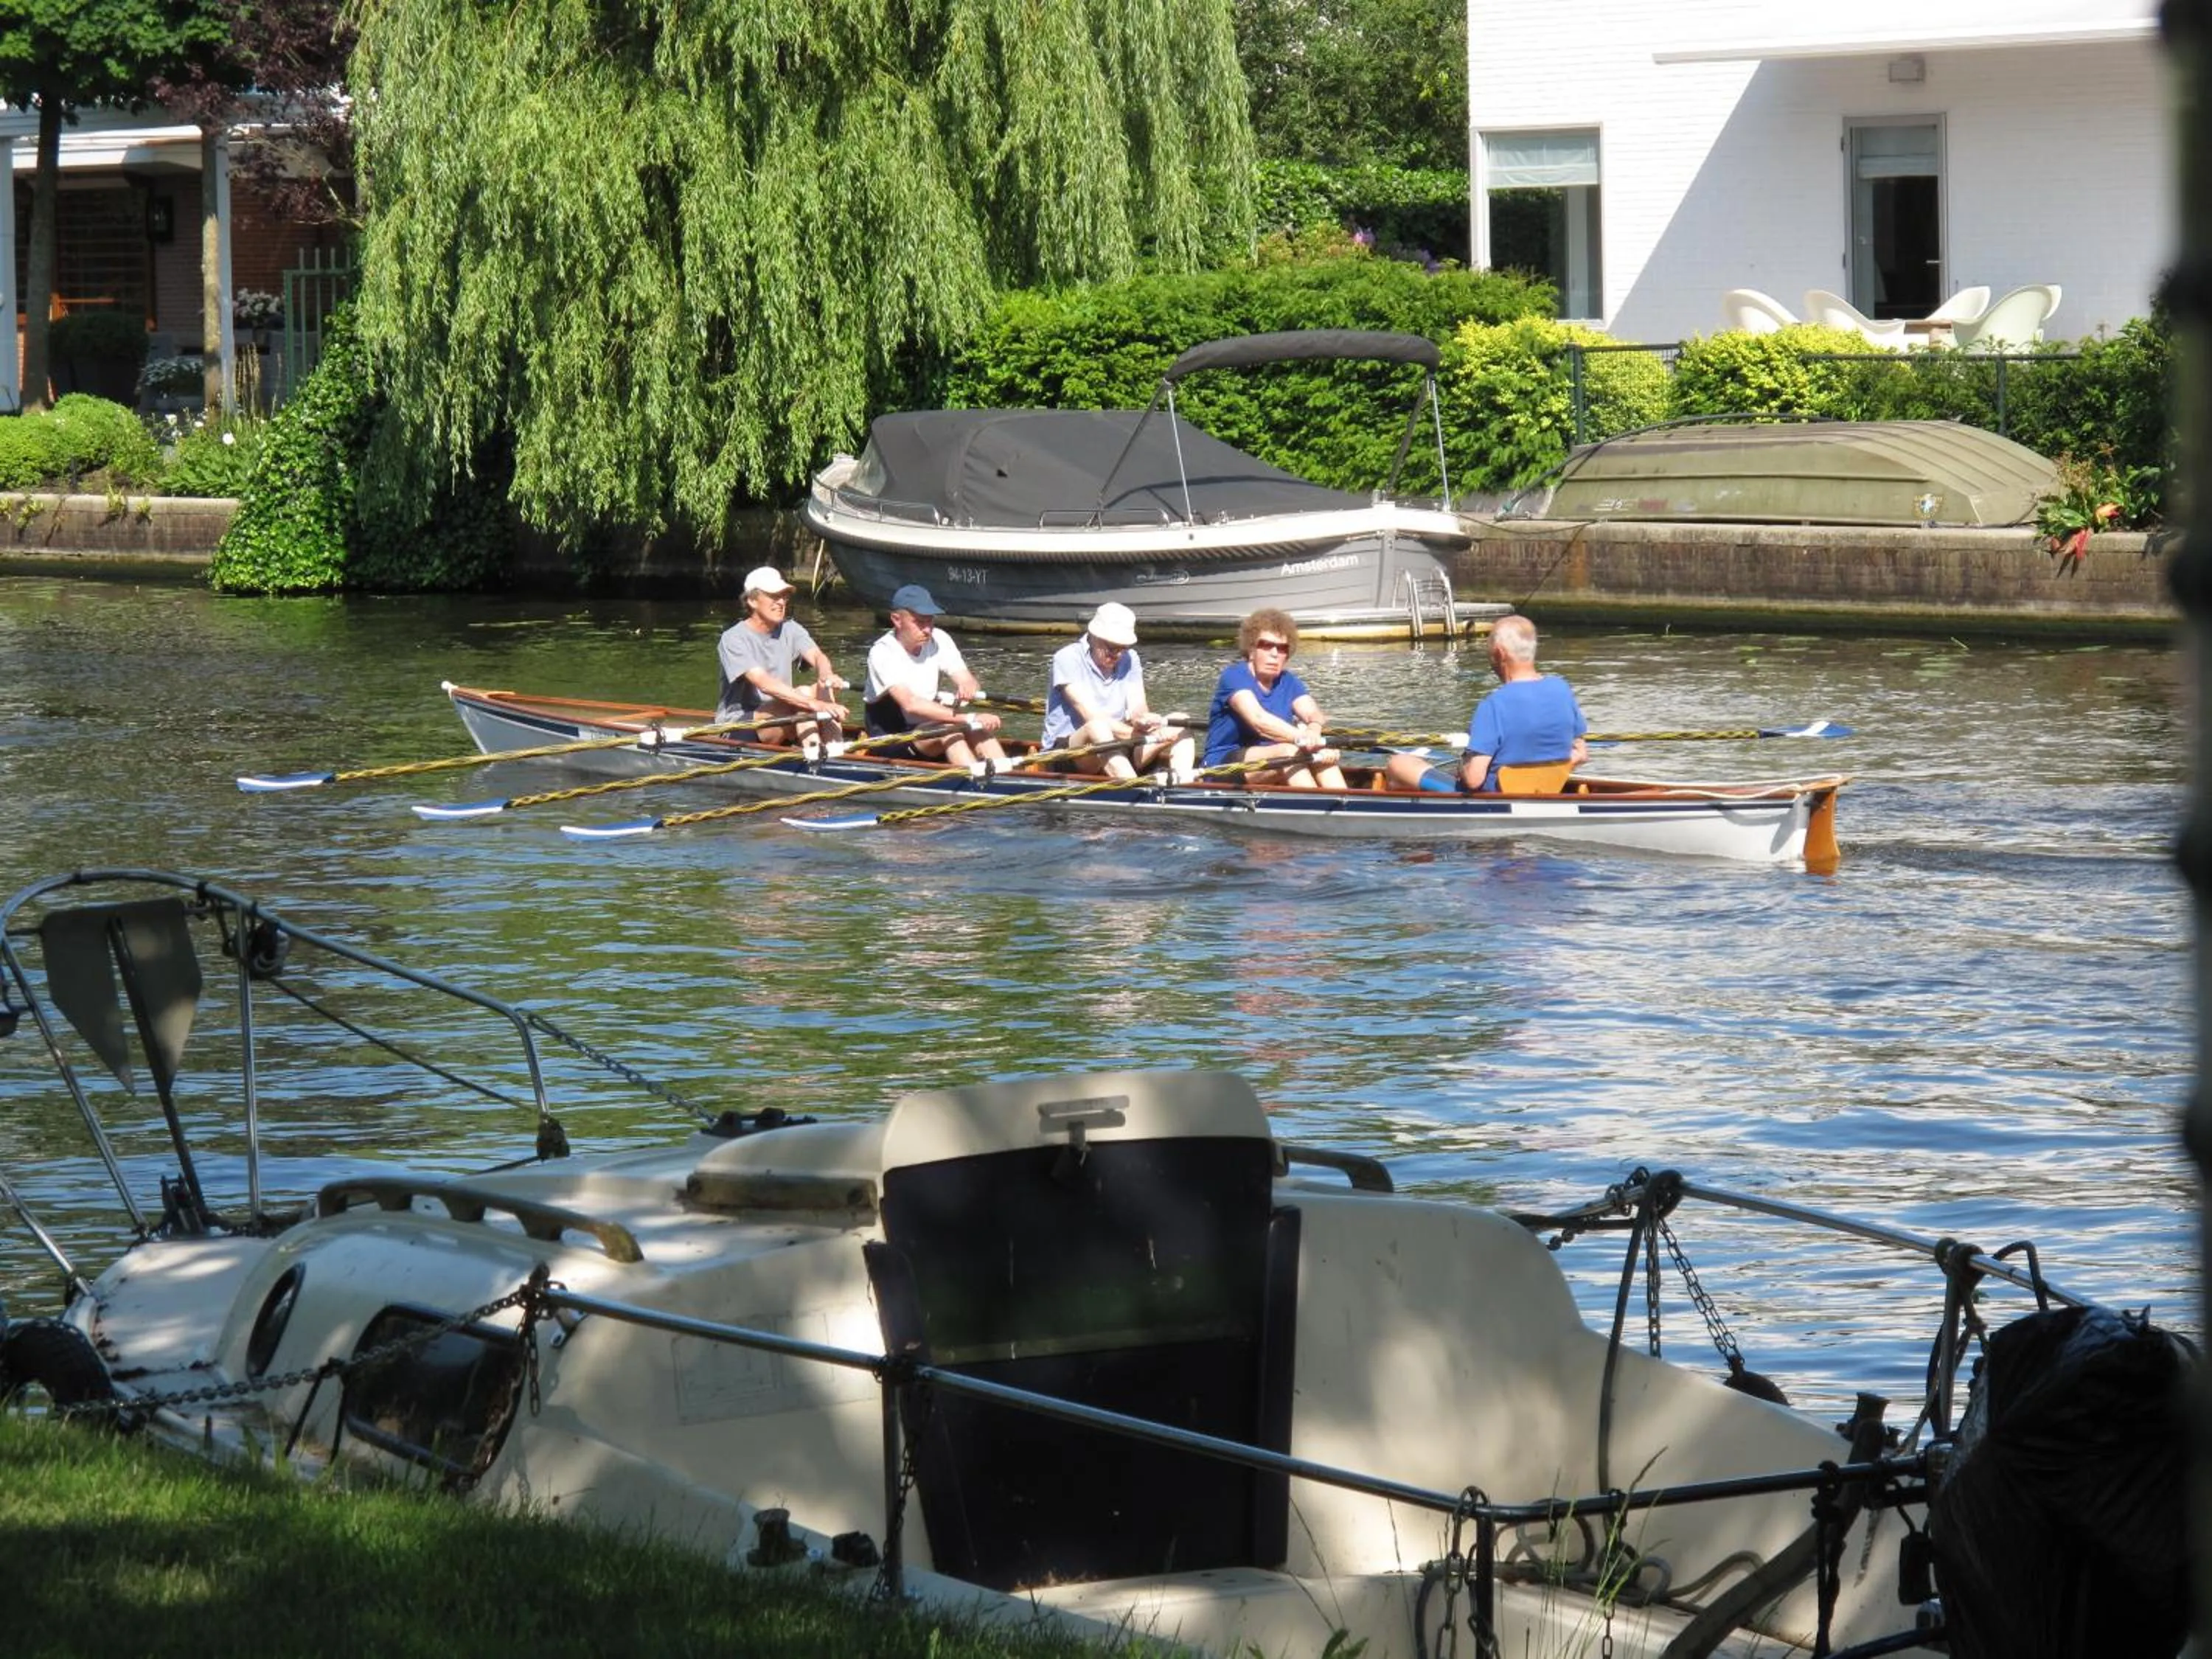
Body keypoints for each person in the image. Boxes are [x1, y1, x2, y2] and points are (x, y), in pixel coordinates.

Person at [1385, 613, 1587, 793]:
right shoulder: (1562, 689)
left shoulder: (1493, 705)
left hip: (1494, 795)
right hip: (1547, 789)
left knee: (1399, 763)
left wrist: (1464, 763)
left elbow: (1474, 780)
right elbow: (1581, 754)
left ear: (1500, 653)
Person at [860, 584, 1008, 768]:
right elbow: (911, 704)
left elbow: (966, 678)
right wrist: (969, 717)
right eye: (920, 622)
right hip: (892, 740)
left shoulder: (939, 639)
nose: (928, 629)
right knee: (950, 730)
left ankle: (1010, 779)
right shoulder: (882, 652)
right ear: (897, 620)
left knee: (977, 728)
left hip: (927, 731)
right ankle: (977, 785)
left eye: (930, 621)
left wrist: (967, 686)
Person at [1203, 609, 1348, 790]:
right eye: (1266, 645)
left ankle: (1347, 805)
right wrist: (1304, 739)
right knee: (1290, 752)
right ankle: (1316, 808)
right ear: (1251, 649)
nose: (1274, 654)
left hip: (1275, 758)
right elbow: (1259, 721)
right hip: (1222, 766)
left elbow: (1313, 713)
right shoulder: (1234, 676)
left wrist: (1314, 730)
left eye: (1282, 648)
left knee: (1319, 756)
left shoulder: (1289, 681)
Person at [1040, 602, 1186, 778]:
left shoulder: (1131, 659)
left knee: (1181, 722)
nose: (1117, 655)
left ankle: (1184, 789)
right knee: (1098, 727)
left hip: (1119, 743)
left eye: (1123, 649)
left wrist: (1144, 721)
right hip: (1068, 752)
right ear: (1094, 636)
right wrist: (1146, 736)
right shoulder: (1067, 658)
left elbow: (1138, 706)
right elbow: (1091, 716)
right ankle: (1135, 790)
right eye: (1111, 648)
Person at [715, 566, 846, 746]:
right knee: (804, 696)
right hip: (739, 727)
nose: (781, 602)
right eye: (774, 596)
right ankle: (816, 755)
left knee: (822, 687)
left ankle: (835, 748)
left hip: (784, 714)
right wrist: (813, 704)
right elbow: (764, 683)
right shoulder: (733, 638)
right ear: (753, 601)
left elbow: (817, 656)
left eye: (784, 596)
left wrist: (827, 674)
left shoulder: (790, 629)